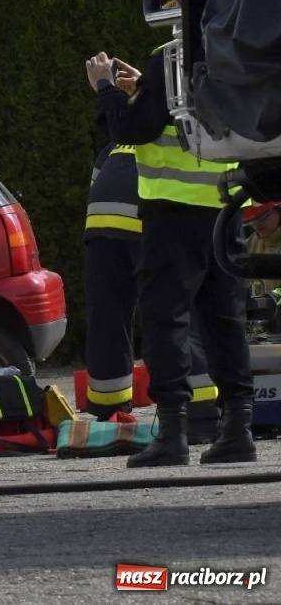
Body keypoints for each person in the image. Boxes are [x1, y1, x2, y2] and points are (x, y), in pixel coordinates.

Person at [89, 47, 254, 466]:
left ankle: (173, 434)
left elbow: (131, 129)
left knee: (166, 319)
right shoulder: (234, 51)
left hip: (172, 210)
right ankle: (238, 431)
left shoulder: (172, 56)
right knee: (226, 321)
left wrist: (106, 89)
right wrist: (143, 88)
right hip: (226, 206)